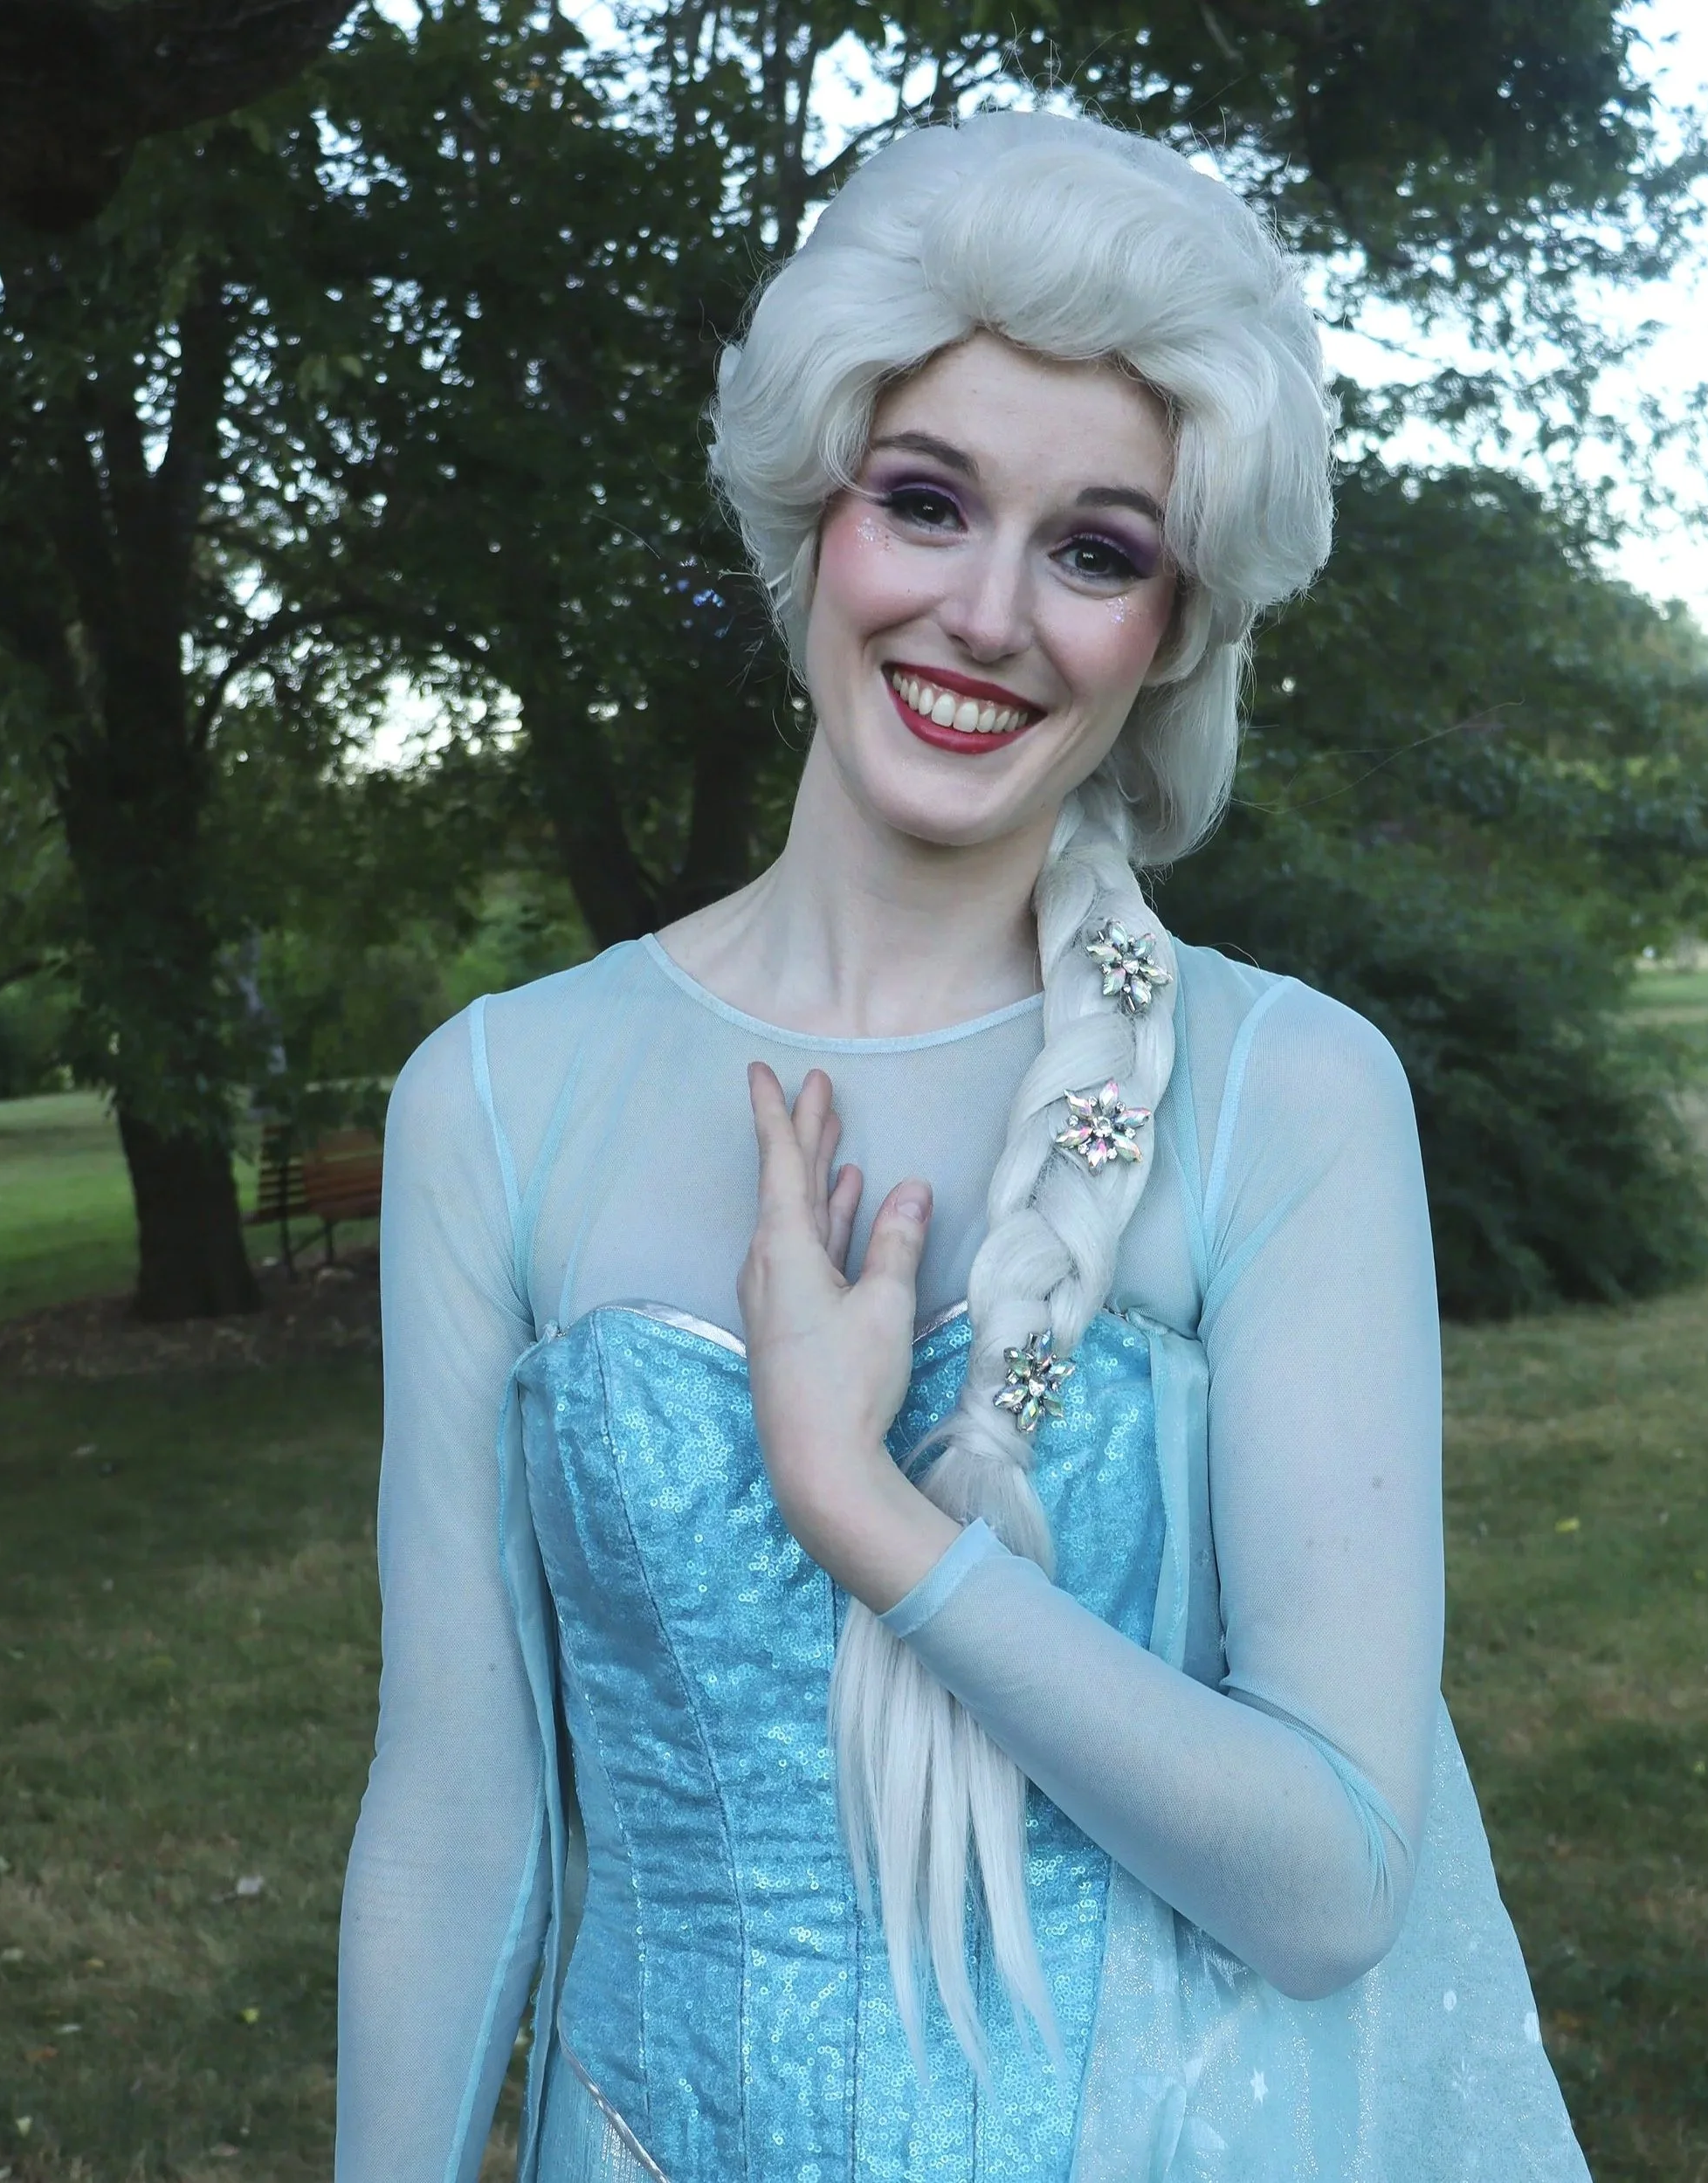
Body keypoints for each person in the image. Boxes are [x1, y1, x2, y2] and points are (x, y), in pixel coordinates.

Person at [337, 110, 1590, 2183]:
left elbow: (1328, 1882)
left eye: (1093, 548)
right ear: (813, 515)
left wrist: (872, 1519)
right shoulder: (493, 1096)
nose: (987, 612)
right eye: (926, 502)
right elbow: (455, 1818)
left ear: (1170, 628)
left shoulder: (1285, 1094)